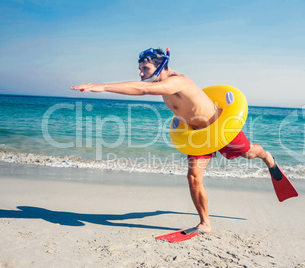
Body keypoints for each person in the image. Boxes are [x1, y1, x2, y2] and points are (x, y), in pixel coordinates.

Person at [71, 48, 279, 234]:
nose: (141, 73)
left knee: (249, 153)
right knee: (193, 177)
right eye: (140, 68)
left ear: (160, 65)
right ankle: (205, 223)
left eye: (145, 68)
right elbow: (145, 88)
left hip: (222, 130)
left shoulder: (177, 82)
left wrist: (103, 86)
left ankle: (268, 157)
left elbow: (142, 90)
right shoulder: (163, 83)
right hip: (199, 136)